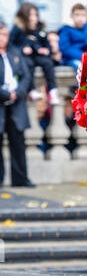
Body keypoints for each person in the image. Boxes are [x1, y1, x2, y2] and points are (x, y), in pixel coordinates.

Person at [0, 21, 35, 187]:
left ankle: (21, 179)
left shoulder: (14, 52)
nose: (2, 38)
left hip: (16, 105)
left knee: (18, 144)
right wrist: (6, 94)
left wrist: (18, 93)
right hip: (1, 103)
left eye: (5, 34)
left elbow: (26, 75)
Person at [9, 3, 59, 105]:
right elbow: (11, 45)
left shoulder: (40, 28)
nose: (33, 18)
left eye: (35, 15)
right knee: (28, 65)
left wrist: (46, 50)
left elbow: (46, 43)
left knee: (48, 63)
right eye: (30, 15)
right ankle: (31, 89)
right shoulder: (18, 29)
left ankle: (52, 90)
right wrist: (22, 49)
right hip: (25, 57)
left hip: (38, 56)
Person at [59, 3, 87, 70]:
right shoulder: (66, 30)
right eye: (77, 15)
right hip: (72, 59)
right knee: (80, 66)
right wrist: (84, 56)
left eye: (83, 15)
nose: (80, 18)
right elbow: (65, 49)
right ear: (71, 16)